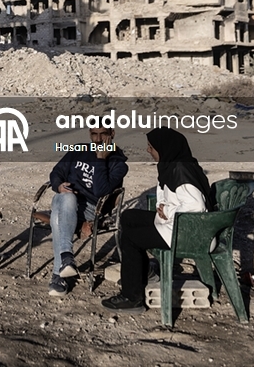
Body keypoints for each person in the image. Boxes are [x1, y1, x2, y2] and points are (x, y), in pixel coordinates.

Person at [102, 126, 213, 313]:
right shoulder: (173, 166)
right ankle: (145, 274)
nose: (148, 150)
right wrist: (164, 208)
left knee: (131, 238)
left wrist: (168, 210)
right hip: (177, 225)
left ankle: (132, 297)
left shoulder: (181, 170)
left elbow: (196, 208)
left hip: (188, 233)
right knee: (129, 217)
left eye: (151, 147)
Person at [45, 127, 128, 296]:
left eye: (102, 134)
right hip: (65, 198)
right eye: (93, 134)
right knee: (67, 198)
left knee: (57, 217)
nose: (97, 139)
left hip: (92, 208)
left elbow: (100, 192)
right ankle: (66, 258)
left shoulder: (118, 163)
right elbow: (57, 172)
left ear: (112, 134)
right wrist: (59, 186)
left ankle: (57, 273)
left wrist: (100, 159)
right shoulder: (79, 150)